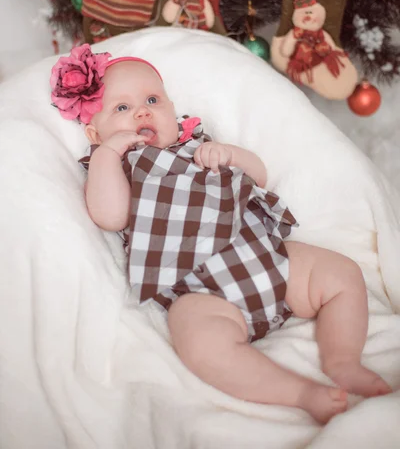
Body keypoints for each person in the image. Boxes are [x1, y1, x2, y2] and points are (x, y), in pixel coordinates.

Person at [50, 44, 392, 425]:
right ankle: (299, 392)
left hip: (268, 258)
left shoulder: (198, 146)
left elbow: (258, 176)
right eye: (122, 109)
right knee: (200, 346)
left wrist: (229, 155)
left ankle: (343, 359)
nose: (143, 112)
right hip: (202, 293)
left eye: (152, 99)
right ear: (94, 132)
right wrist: (107, 156)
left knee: (341, 273)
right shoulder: (118, 166)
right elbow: (109, 215)